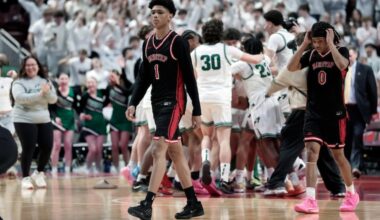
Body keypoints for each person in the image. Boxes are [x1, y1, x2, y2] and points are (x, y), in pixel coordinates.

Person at [126, 0, 204, 219]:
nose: (155, 16)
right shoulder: (148, 42)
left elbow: (189, 77)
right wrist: (133, 101)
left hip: (174, 102)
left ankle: (147, 204)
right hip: (156, 101)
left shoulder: (178, 42)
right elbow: (143, 77)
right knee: (176, 153)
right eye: (152, 13)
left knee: (159, 147)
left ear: (171, 15)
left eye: (160, 12)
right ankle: (193, 203)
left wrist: (196, 109)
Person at [287, 21, 360, 213]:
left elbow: (343, 65)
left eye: (320, 41)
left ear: (329, 37)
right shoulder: (310, 54)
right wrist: (304, 45)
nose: (317, 45)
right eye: (315, 41)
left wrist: (331, 43)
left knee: (339, 156)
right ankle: (311, 200)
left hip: (335, 114)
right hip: (313, 112)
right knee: (311, 151)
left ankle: (351, 193)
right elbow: (291, 67)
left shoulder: (342, 51)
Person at [263, 32, 346, 197]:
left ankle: (276, 183)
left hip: (302, 111)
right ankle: (338, 187)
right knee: (322, 152)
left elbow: (273, 86)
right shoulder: (326, 63)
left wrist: (269, 92)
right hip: (324, 113)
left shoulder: (295, 68)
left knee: (289, 148)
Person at [191, 19, 264, 194]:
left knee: (207, 136)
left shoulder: (196, 52)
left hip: (202, 97)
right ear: (220, 34)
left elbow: (193, 76)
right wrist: (263, 55)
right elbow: (254, 60)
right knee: (224, 140)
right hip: (221, 99)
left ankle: (206, 161)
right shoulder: (227, 49)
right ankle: (223, 179)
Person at [11, 56, 57, 190]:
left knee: (48, 146)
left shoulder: (45, 81)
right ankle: (25, 177)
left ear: (38, 66)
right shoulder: (18, 82)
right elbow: (20, 98)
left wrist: (46, 93)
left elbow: (53, 99)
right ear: (24, 67)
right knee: (29, 148)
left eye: (33, 65)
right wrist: (40, 94)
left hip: (43, 118)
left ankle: (38, 173)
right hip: (23, 119)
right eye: (28, 65)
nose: (31, 67)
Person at [344, 47, 378, 179]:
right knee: (346, 138)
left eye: (351, 55)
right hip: (345, 109)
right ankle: (347, 167)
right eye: (347, 56)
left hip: (359, 110)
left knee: (357, 136)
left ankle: (356, 166)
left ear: (356, 55)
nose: (348, 58)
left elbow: (372, 91)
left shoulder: (365, 69)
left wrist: (373, 111)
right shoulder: (341, 69)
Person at [49, 72, 80, 175]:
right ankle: (54, 169)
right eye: (61, 79)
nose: (63, 81)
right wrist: (55, 117)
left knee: (68, 145)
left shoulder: (74, 91)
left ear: (68, 80)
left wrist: (79, 117)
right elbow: (51, 108)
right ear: (58, 80)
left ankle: (67, 169)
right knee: (56, 145)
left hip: (70, 120)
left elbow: (77, 106)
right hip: (58, 121)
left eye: (65, 78)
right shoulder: (54, 92)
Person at [79, 76, 109, 174]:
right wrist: (83, 115)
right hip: (89, 125)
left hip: (100, 124)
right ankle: (87, 168)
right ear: (86, 85)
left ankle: (98, 169)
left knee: (99, 150)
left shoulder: (101, 93)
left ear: (96, 84)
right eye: (89, 83)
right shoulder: (85, 95)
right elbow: (80, 109)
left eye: (93, 82)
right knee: (93, 149)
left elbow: (108, 98)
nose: (91, 84)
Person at [108, 70, 133, 173]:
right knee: (114, 146)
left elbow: (127, 92)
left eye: (113, 76)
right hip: (114, 119)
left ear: (119, 76)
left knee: (123, 145)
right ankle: (116, 167)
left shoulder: (125, 85)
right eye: (110, 77)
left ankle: (129, 168)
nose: (111, 78)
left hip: (125, 119)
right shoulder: (109, 87)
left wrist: (117, 84)